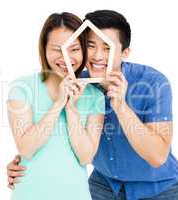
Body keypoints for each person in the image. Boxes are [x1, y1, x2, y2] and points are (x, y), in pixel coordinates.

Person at [7, 10, 178, 200]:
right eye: (90, 45)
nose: (97, 56)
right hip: (105, 184)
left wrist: (121, 108)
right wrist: (24, 165)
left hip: (158, 187)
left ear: (125, 52)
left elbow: (158, 157)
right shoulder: (79, 85)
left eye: (107, 48)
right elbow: (53, 139)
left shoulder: (153, 83)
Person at [7, 12, 105, 200]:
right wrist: (58, 103)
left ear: (83, 50)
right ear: (44, 49)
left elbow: (85, 157)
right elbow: (26, 148)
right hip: (29, 193)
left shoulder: (94, 96)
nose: (65, 57)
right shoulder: (23, 88)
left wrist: (71, 108)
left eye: (74, 49)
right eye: (57, 49)